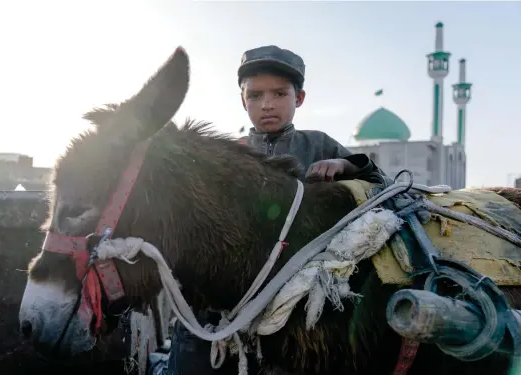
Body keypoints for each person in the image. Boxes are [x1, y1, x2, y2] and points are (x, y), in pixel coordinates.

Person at [163, 45, 387, 375]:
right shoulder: (230, 154)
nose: (267, 104)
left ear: (299, 98)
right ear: (243, 101)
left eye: (279, 93)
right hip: (234, 295)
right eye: (255, 95)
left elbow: (380, 182)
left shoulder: (317, 144)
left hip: (301, 297)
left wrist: (343, 165)